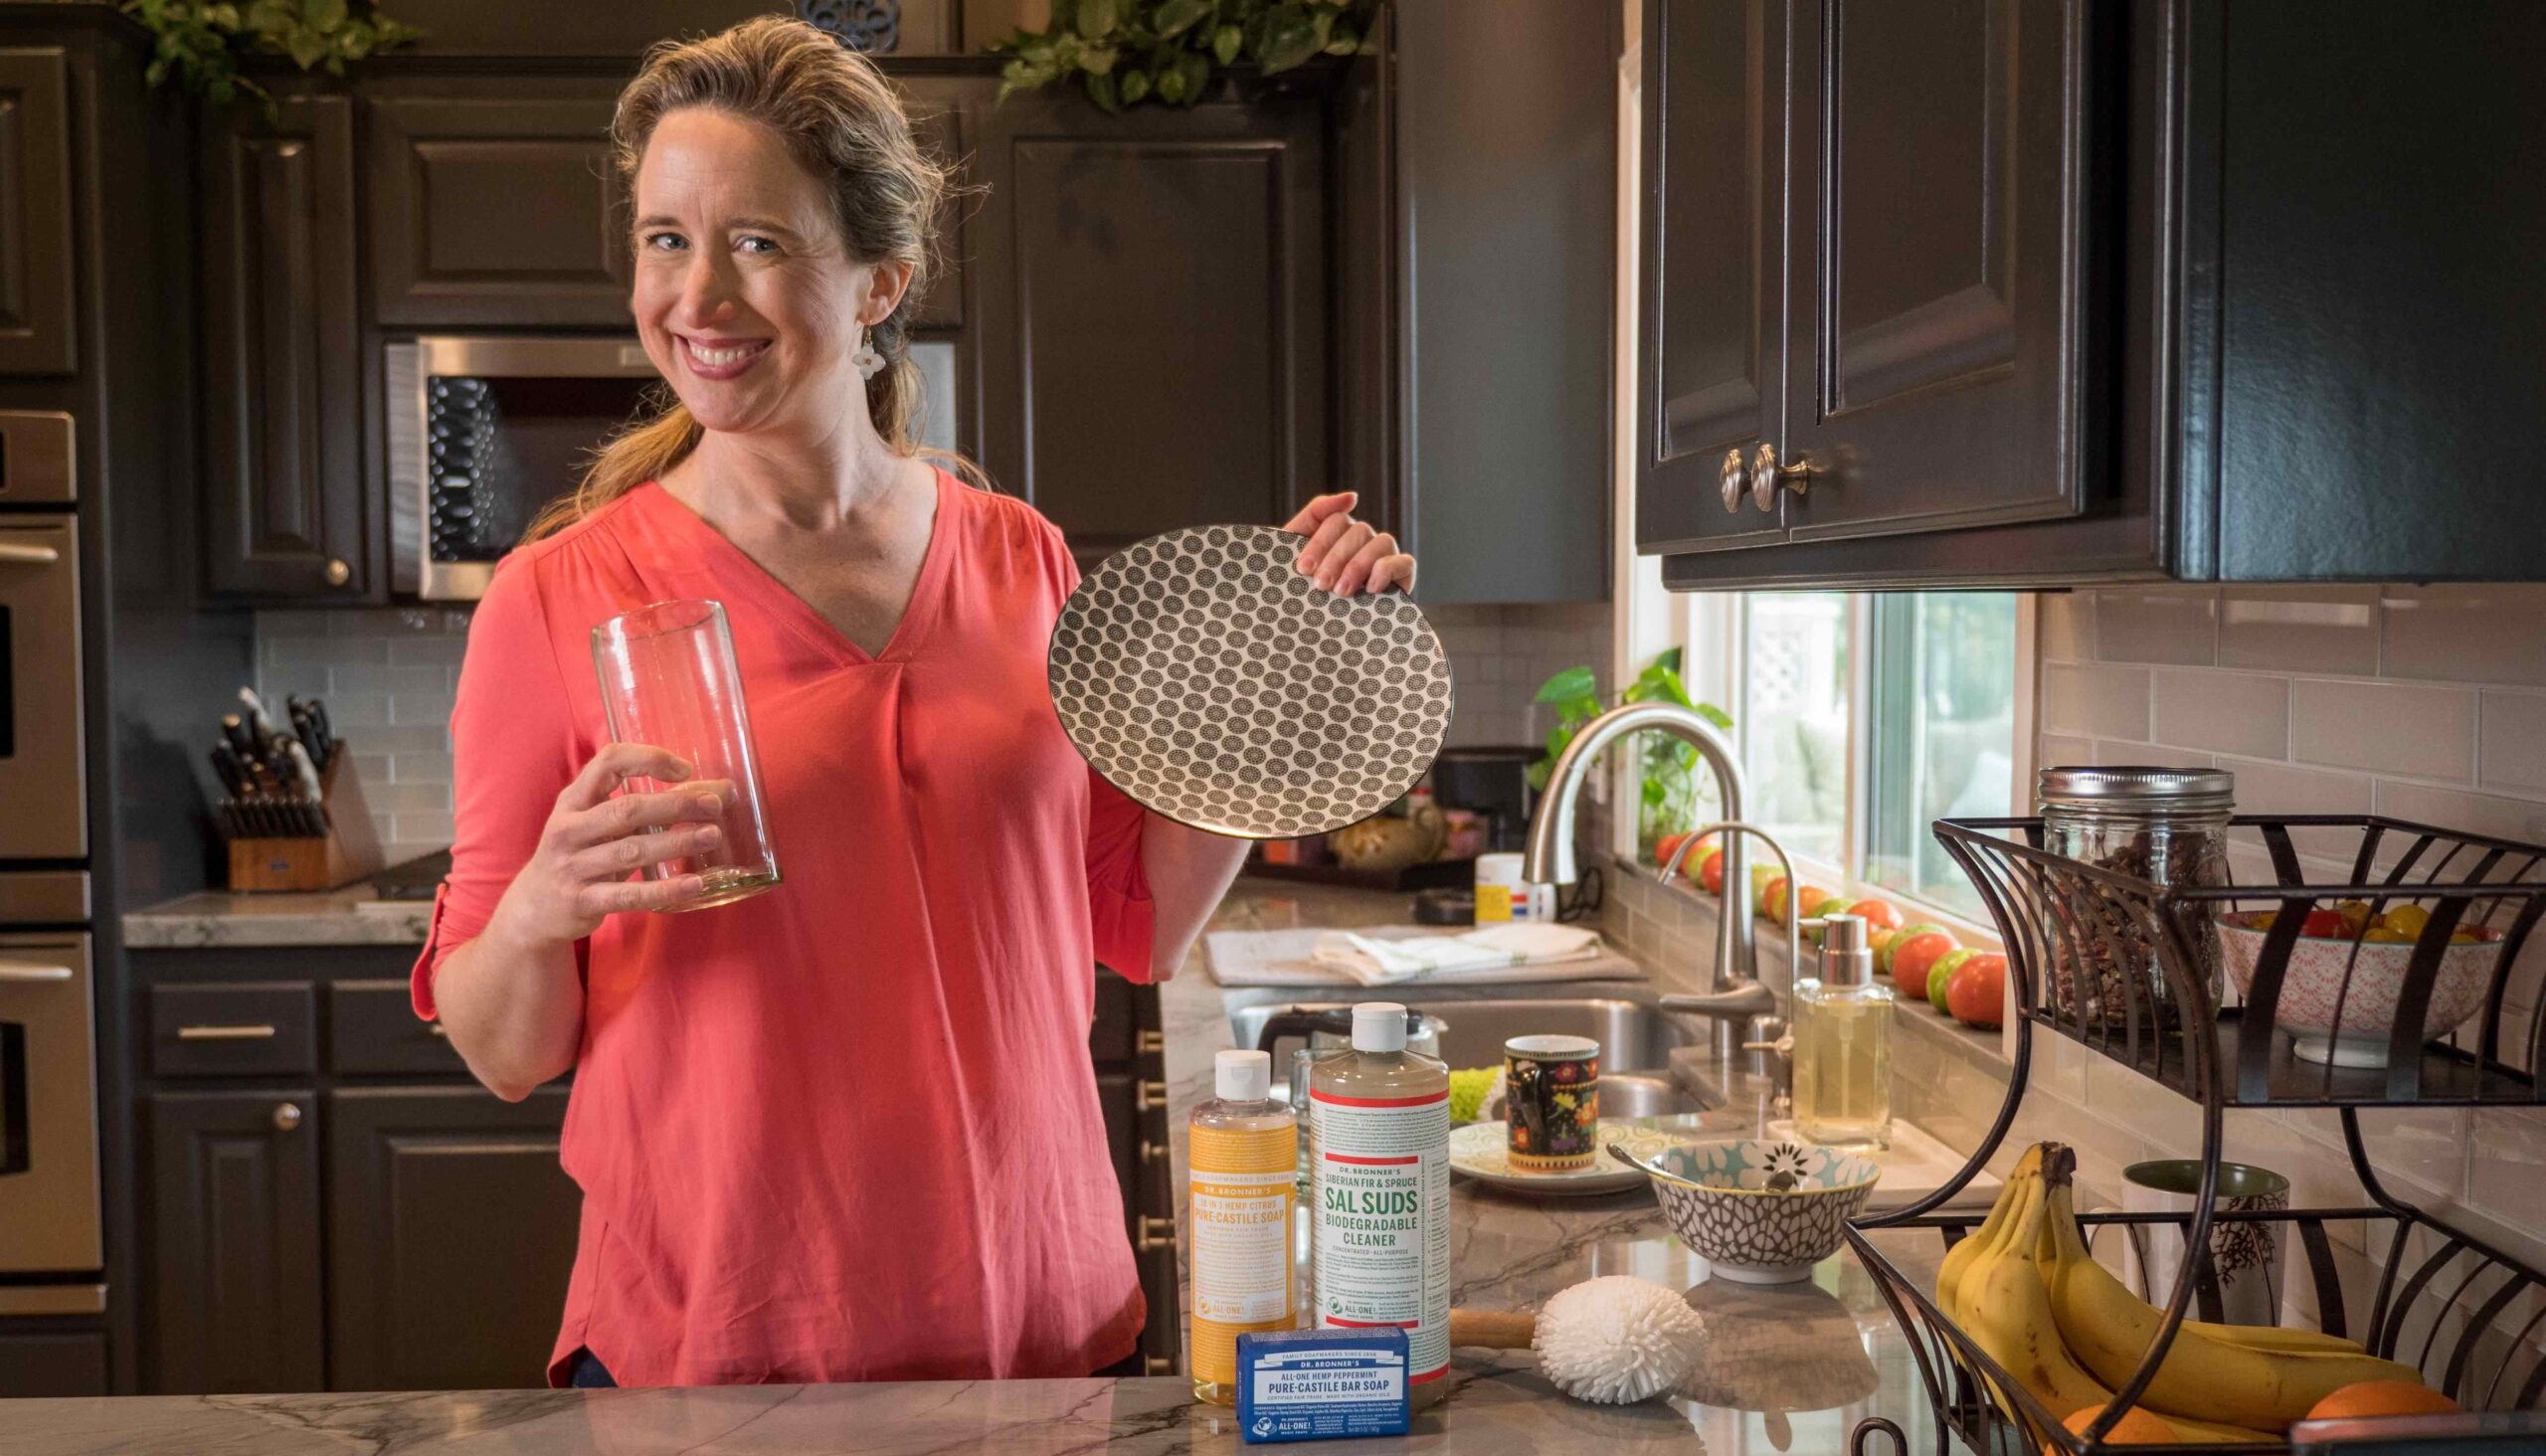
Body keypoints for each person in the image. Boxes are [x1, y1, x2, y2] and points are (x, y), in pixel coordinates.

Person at [411, 17, 1415, 1389]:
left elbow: (1139, 921)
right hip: (722, 1349)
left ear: (879, 280)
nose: (696, 296)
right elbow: (501, 1050)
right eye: (663, 239)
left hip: (1045, 1325)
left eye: (756, 242)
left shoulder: (1024, 560)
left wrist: (1289, 697)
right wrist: (539, 909)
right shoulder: (555, 598)